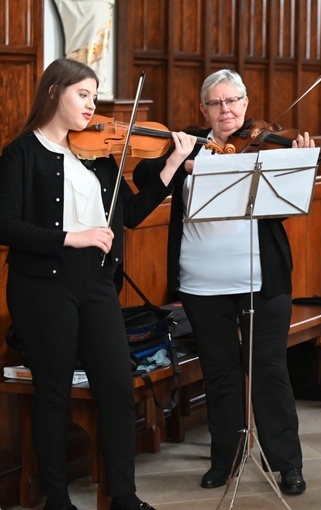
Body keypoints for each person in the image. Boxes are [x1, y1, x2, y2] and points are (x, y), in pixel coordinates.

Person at [0, 58, 197, 510]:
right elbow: (5, 225)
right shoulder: (20, 154)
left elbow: (128, 215)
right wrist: (73, 237)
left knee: (117, 387)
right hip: (43, 287)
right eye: (82, 94)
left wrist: (172, 166)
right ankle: (57, 501)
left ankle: (123, 497)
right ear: (54, 93)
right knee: (53, 394)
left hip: (96, 284)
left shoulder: (99, 155)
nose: (92, 105)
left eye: (94, 95)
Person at [133, 69, 311, 495]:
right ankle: (224, 459)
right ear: (203, 110)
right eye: (216, 103)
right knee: (220, 373)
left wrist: (296, 163)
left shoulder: (263, 146)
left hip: (262, 281)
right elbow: (144, 181)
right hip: (202, 282)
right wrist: (184, 160)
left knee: (269, 371)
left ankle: (286, 463)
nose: (225, 110)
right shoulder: (184, 145)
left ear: (246, 104)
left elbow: (284, 207)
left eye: (233, 101)